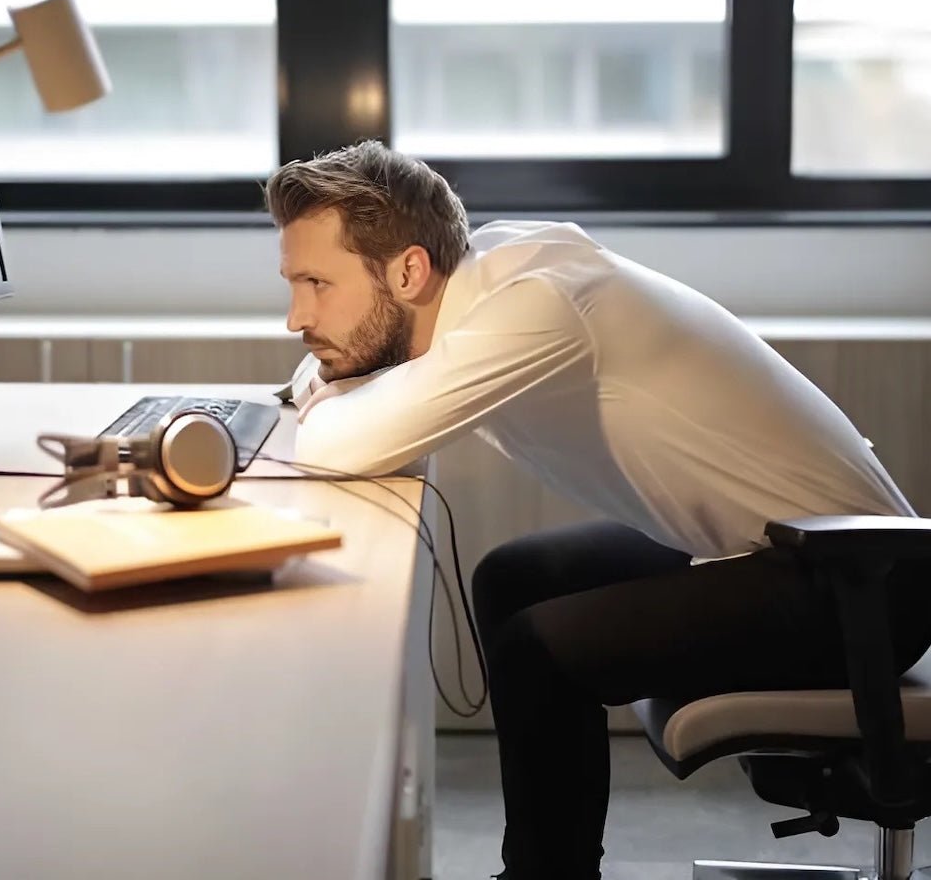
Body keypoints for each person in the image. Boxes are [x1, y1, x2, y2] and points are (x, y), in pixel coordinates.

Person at [267, 139, 929, 880]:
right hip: (777, 550)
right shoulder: (490, 273)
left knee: (536, 651)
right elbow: (317, 389)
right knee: (514, 578)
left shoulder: (535, 307)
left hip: (861, 586)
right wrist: (324, 379)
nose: (297, 317)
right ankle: (550, 865)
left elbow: (331, 442)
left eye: (317, 284)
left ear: (410, 270)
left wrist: (321, 393)